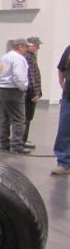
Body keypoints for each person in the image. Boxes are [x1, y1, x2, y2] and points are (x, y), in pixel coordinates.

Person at [0, 38, 29, 154]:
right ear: (20, 46)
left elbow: (0, 72)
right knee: (19, 119)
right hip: (12, 91)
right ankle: (17, 146)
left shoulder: (5, 57)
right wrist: (23, 88)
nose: (26, 49)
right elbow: (19, 76)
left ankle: (4, 144)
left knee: (3, 119)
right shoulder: (19, 58)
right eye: (25, 46)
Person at [51, 45, 70, 175]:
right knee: (65, 128)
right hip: (69, 95)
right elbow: (61, 67)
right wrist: (61, 82)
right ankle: (64, 163)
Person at [22, 36, 43, 149]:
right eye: (37, 45)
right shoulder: (28, 57)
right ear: (30, 45)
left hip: (29, 92)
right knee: (26, 117)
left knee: (27, 117)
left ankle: (23, 139)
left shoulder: (30, 56)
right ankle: (22, 140)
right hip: (29, 93)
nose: (38, 48)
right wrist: (35, 93)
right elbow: (31, 76)